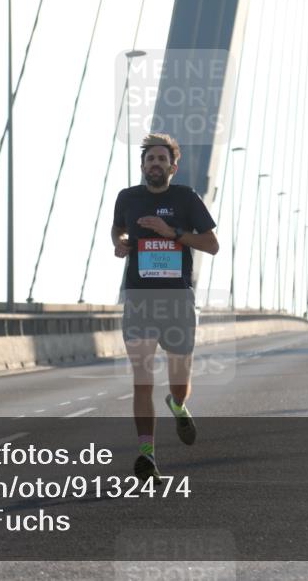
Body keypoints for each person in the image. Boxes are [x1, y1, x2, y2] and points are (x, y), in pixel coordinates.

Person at [112, 133, 219, 484]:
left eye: (161, 159)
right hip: (140, 298)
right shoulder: (128, 197)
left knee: (177, 384)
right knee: (142, 381)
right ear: (143, 165)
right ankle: (147, 457)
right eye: (149, 159)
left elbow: (212, 245)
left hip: (176, 300)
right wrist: (121, 243)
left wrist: (171, 232)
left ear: (173, 167)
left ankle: (178, 406)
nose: (154, 164)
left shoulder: (186, 198)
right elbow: (118, 228)